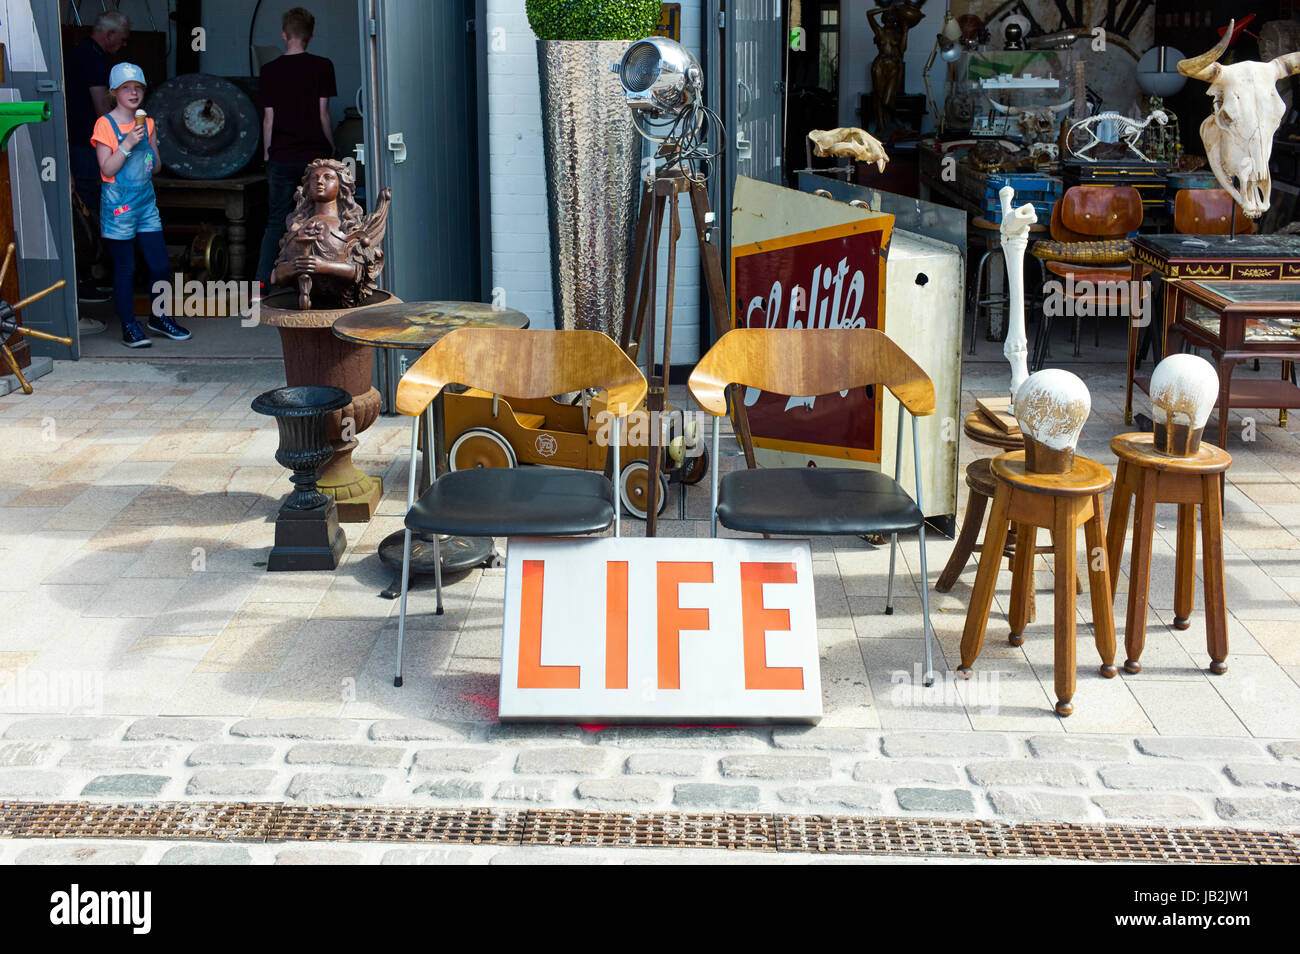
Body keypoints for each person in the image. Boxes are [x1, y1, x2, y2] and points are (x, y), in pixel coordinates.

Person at [92, 62, 191, 349]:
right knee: (126, 268)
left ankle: (159, 317)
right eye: (126, 88)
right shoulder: (105, 124)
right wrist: (126, 145)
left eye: (138, 87)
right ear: (114, 92)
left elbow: (156, 166)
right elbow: (107, 169)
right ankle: (129, 326)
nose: (133, 93)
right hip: (119, 206)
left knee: (160, 265)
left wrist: (150, 153)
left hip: (146, 203)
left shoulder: (147, 123)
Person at [255, 7, 338, 290]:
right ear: (310, 37)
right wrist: (331, 148)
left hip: (280, 155)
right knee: (316, 220)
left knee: (276, 220)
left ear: (283, 34)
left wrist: (268, 155)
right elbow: (323, 114)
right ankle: (313, 284)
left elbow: (269, 119)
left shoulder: (269, 71)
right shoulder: (322, 66)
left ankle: (262, 286)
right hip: (313, 158)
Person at [64, 10, 129, 321]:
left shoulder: (82, 51)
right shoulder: (93, 58)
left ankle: (88, 276)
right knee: (88, 209)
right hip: (85, 144)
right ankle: (85, 279)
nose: (125, 43)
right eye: (123, 38)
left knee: (88, 209)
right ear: (110, 35)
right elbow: (101, 106)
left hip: (78, 141)